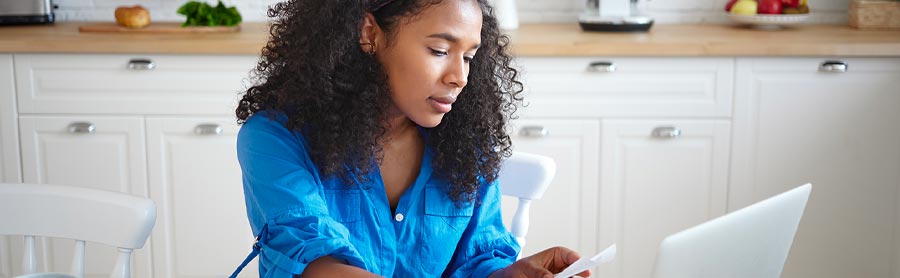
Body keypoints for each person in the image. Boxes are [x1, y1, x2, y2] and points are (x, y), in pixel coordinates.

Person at [233, 0, 592, 277]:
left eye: (469, 57)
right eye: (439, 51)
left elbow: (477, 262)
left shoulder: (468, 148)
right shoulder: (275, 139)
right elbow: (316, 266)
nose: (460, 77)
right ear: (370, 34)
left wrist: (511, 274)